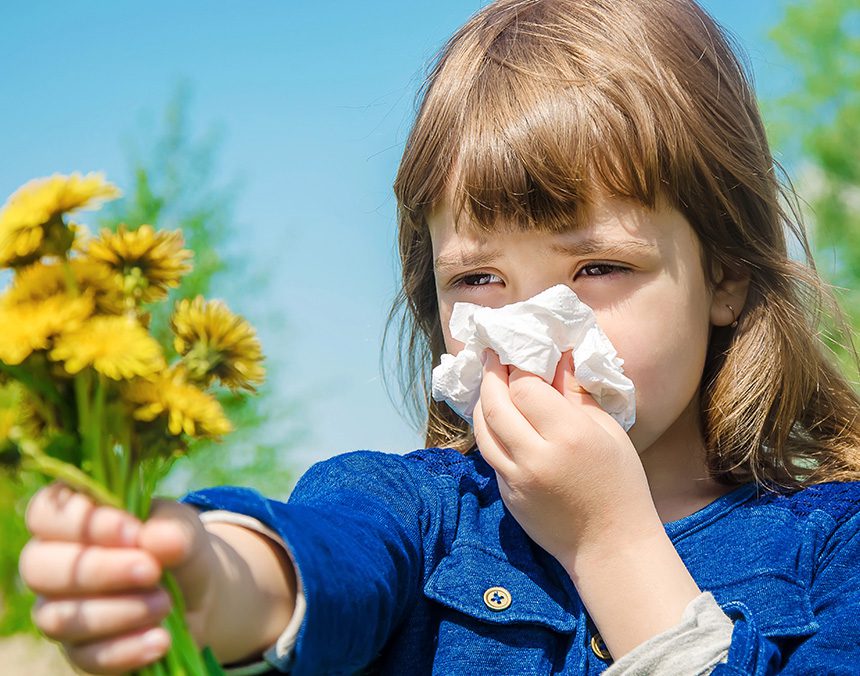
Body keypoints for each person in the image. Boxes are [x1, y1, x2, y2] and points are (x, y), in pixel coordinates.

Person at [19, 0, 860, 673]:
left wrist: (610, 541)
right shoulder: (422, 513)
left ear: (724, 275)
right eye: (480, 280)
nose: (533, 334)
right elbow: (324, 560)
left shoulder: (833, 545)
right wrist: (200, 572)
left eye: (599, 267)